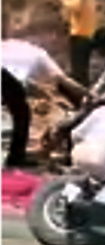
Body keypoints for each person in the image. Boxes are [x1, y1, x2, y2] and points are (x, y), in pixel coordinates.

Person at [1, 39, 88, 167]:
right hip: (5, 73)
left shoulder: (24, 51)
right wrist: (89, 95)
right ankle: (16, 158)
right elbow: (64, 81)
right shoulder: (43, 59)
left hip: (6, 71)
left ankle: (16, 157)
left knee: (20, 109)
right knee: (21, 113)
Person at [57, 0, 97, 87]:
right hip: (88, 32)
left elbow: (77, 6)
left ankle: (82, 97)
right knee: (83, 71)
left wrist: (62, 0)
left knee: (78, 73)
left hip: (79, 33)